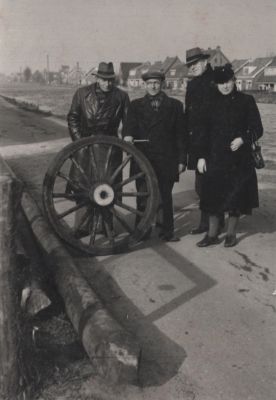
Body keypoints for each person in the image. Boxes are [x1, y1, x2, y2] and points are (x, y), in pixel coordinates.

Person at [196, 64, 263, 247]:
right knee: (211, 197)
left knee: (236, 198)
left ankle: (231, 234)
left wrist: (243, 139)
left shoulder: (246, 101)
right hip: (215, 158)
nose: (225, 86)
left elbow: (258, 128)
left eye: (228, 81)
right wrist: (201, 157)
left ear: (234, 81)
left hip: (239, 159)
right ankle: (211, 235)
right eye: (221, 83)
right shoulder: (209, 103)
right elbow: (202, 133)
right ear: (216, 85)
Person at [67, 62, 130, 236]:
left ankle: (105, 226)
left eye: (110, 80)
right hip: (85, 147)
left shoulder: (122, 96)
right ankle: (82, 226)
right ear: (97, 78)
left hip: (109, 148)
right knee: (82, 188)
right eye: (104, 80)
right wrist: (80, 142)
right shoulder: (82, 94)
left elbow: (128, 123)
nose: (107, 83)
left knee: (108, 188)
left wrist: (126, 138)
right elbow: (72, 118)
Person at [123, 70, 187, 242]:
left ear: (162, 84)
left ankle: (166, 231)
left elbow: (181, 135)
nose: (153, 86)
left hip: (167, 158)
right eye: (150, 83)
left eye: (156, 83)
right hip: (143, 158)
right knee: (143, 194)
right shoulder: (135, 106)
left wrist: (182, 160)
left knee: (165, 195)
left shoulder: (175, 106)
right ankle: (141, 230)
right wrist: (127, 136)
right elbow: (128, 127)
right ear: (144, 85)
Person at [184, 47, 224, 234]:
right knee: (201, 185)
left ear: (205, 62)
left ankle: (214, 222)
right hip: (197, 141)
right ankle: (206, 222)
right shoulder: (192, 85)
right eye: (190, 65)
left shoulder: (217, 79)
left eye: (196, 63)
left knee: (212, 182)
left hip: (215, 141)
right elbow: (188, 114)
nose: (193, 67)